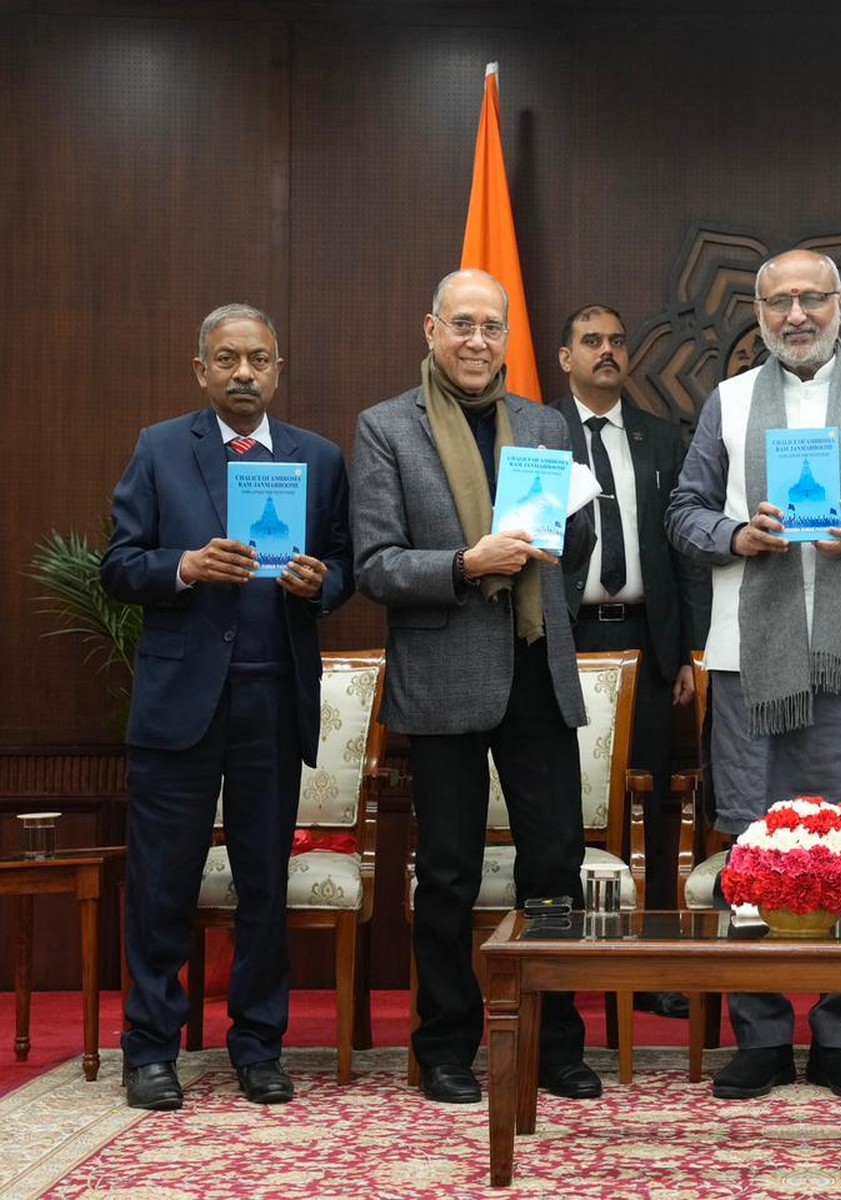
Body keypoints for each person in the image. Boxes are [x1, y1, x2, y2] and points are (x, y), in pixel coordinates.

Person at [666, 248, 841, 1101]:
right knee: (752, 838)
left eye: (811, 299)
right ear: (757, 316)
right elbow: (683, 514)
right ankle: (757, 1034)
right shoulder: (728, 400)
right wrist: (733, 538)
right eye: (779, 301)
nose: (797, 314)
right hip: (754, 661)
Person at [351, 269, 599, 1105]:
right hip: (444, 676)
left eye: (492, 328)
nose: (477, 341)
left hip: (535, 670)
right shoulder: (387, 427)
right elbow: (376, 564)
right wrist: (466, 565)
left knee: (555, 868)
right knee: (450, 872)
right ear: (431, 329)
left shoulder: (545, 421)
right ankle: (446, 1047)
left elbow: (582, 530)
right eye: (462, 324)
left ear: (506, 339)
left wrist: (547, 584)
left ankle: (557, 1042)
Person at [103, 304, 353, 1110]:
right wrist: (184, 566)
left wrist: (324, 585)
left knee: (262, 884)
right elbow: (119, 564)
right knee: (162, 883)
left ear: (279, 369)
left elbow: (347, 564)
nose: (244, 373)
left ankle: (259, 1045)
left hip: (272, 700)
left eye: (259, 359)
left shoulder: (318, 457)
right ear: (201, 370)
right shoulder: (161, 448)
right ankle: (150, 1049)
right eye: (227, 359)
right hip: (181, 702)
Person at [556, 304, 710, 1021]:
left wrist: (687, 651)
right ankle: (562, 964)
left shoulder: (657, 437)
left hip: (646, 644)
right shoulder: (539, 435)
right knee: (561, 807)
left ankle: (650, 964)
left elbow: (684, 547)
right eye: (592, 342)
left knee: (652, 807)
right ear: (565, 357)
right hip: (564, 639)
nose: (608, 352)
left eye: (618, 341)